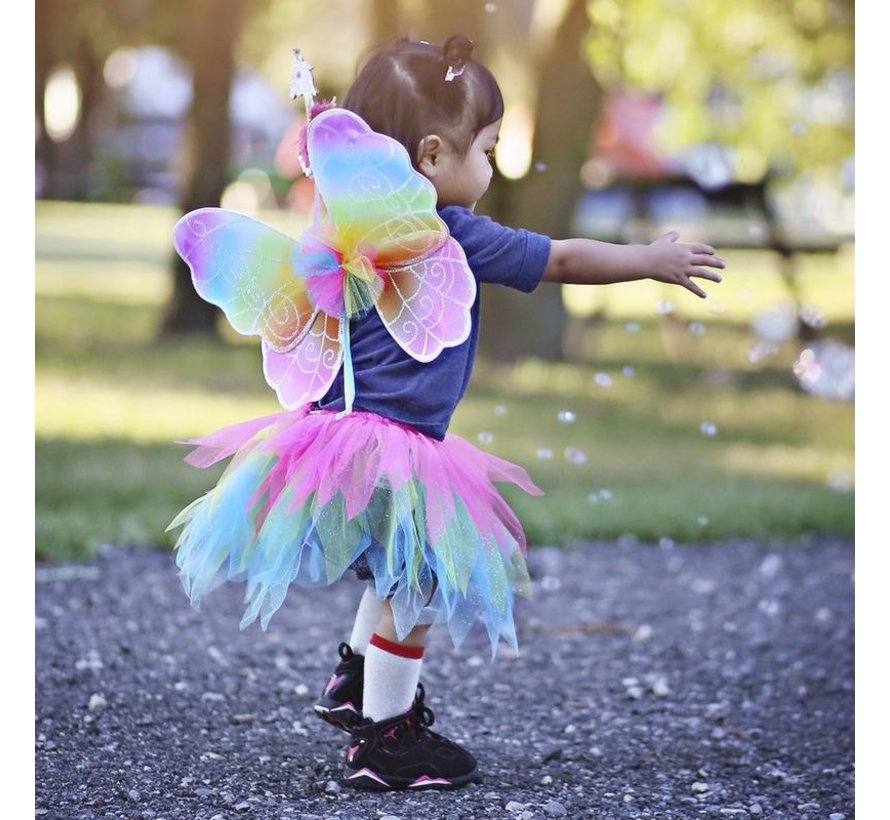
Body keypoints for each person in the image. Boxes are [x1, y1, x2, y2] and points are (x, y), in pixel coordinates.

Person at [169, 34, 725, 792]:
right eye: (488, 149)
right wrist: (646, 261)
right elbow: (559, 259)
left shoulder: (339, 234)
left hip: (334, 435)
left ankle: (360, 681)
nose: (492, 168)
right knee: (420, 578)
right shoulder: (449, 233)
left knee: (397, 570)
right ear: (431, 156)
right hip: (396, 446)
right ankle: (388, 741)